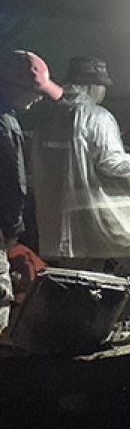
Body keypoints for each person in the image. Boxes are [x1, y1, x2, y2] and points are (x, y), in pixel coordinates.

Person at [34, 56, 130, 338]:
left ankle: (79, 337)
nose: (104, 92)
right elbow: (111, 162)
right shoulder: (97, 116)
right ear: (91, 86)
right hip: (108, 212)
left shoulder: (48, 118)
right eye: (102, 86)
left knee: (78, 280)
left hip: (65, 220)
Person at [0, 50, 61, 333]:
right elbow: (13, 182)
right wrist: (13, 228)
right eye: (35, 92)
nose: (38, 99)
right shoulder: (6, 124)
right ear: (13, 87)